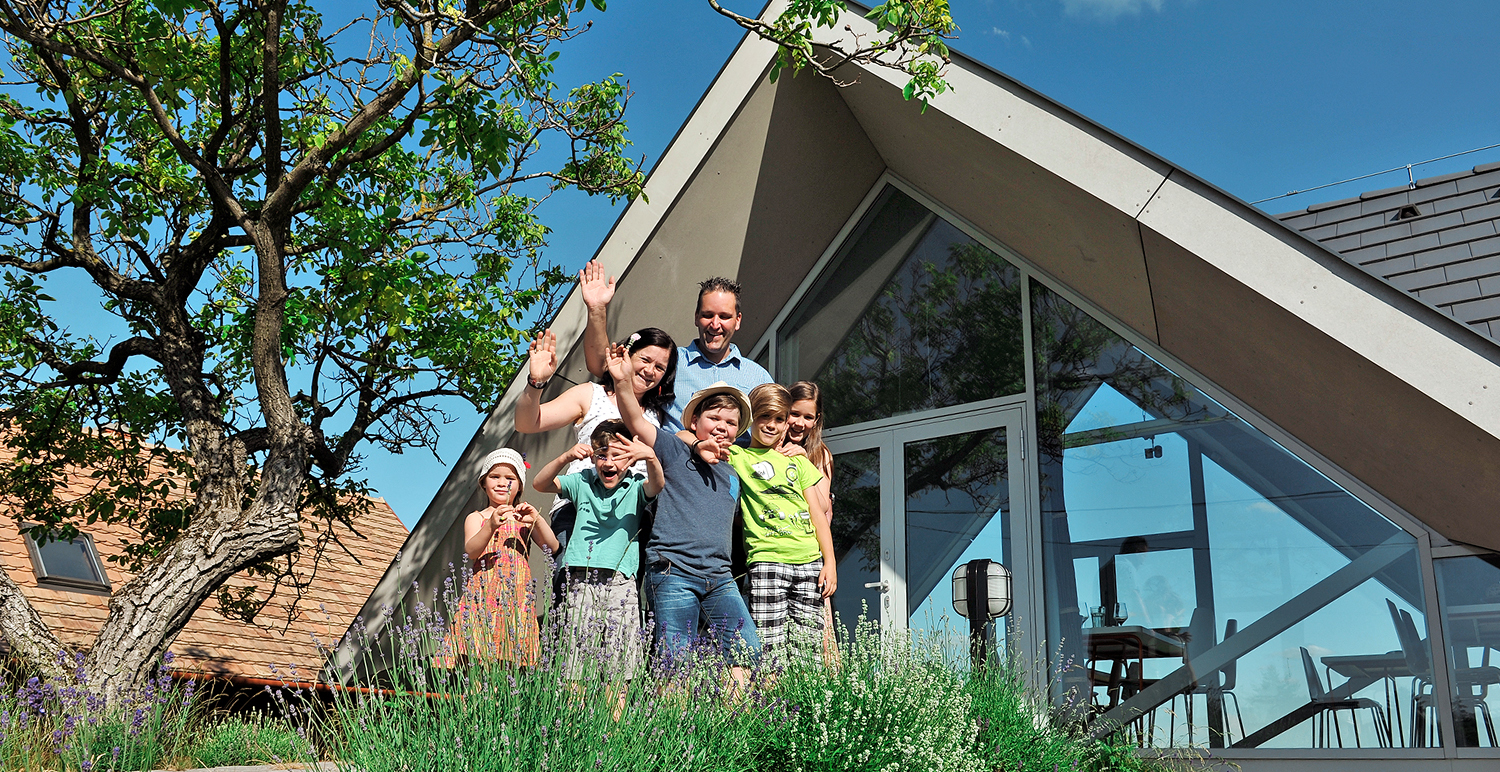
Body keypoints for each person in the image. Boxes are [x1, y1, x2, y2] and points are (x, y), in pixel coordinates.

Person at [606, 345, 761, 683]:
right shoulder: (676, 449)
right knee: (674, 663)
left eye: (731, 423)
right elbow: (635, 420)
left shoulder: (733, 474)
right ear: (694, 422)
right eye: (714, 418)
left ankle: (735, 717)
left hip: (719, 576)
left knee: (747, 652)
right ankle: (670, 717)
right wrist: (622, 383)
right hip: (673, 569)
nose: (722, 427)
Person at [515, 325, 675, 572]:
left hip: (630, 516)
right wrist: (536, 382)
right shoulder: (591, 394)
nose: (649, 370)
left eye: (660, 367)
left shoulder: (660, 416)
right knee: (570, 590)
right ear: (627, 354)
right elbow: (526, 423)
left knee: (621, 594)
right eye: (645, 360)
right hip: (580, 508)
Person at [532, 420, 663, 715]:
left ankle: (615, 727)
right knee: (575, 661)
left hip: (620, 581)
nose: (609, 462)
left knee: (620, 661)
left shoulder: (635, 486)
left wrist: (650, 456)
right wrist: (566, 457)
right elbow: (540, 483)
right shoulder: (583, 482)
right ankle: (574, 723)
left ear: (631, 458)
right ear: (592, 457)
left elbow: (657, 485)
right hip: (581, 579)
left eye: (618, 455)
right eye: (602, 455)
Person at [579, 261, 771, 430]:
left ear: (738, 320)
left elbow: (776, 422)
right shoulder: (670, 362)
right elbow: (603, 366)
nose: (715, 324)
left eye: (724, 316)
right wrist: (597, 310)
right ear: (696, 317)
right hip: (676, 458)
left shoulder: (758, 377)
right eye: (707, 315)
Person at [729, 383, 836, 659]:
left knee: (808, 652)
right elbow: (685, 438)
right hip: (767, 558)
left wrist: (830, 563)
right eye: (764, 416)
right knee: (769, 650)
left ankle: (803, 690)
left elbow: (818, 514)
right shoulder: (738, 456)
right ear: (750, 417)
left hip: (809, 560)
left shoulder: (801, 461)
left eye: (779, 418)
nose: (772, 424)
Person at [440, 448, 559, 667]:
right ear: (483, 483)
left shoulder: (523, 518)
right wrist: (491, 525)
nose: (502, 483)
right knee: (476, 655)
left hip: (516, 595)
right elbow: (471, 551)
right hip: (483, 594)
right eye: (494, 477)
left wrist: (537, 520)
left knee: (509, 658)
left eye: (510, 478)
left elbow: (551, 547)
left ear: (519, 485)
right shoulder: (477, 517)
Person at [779, 381, 836, 659]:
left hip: (810, 553)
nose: (800, 423)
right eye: (794, 413)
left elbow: (823, 504)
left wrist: (803, 461)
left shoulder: (818, 454)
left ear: (817, 419)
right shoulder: (768, 446)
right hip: (774, 549)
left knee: (817, 639)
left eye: (808, 417)